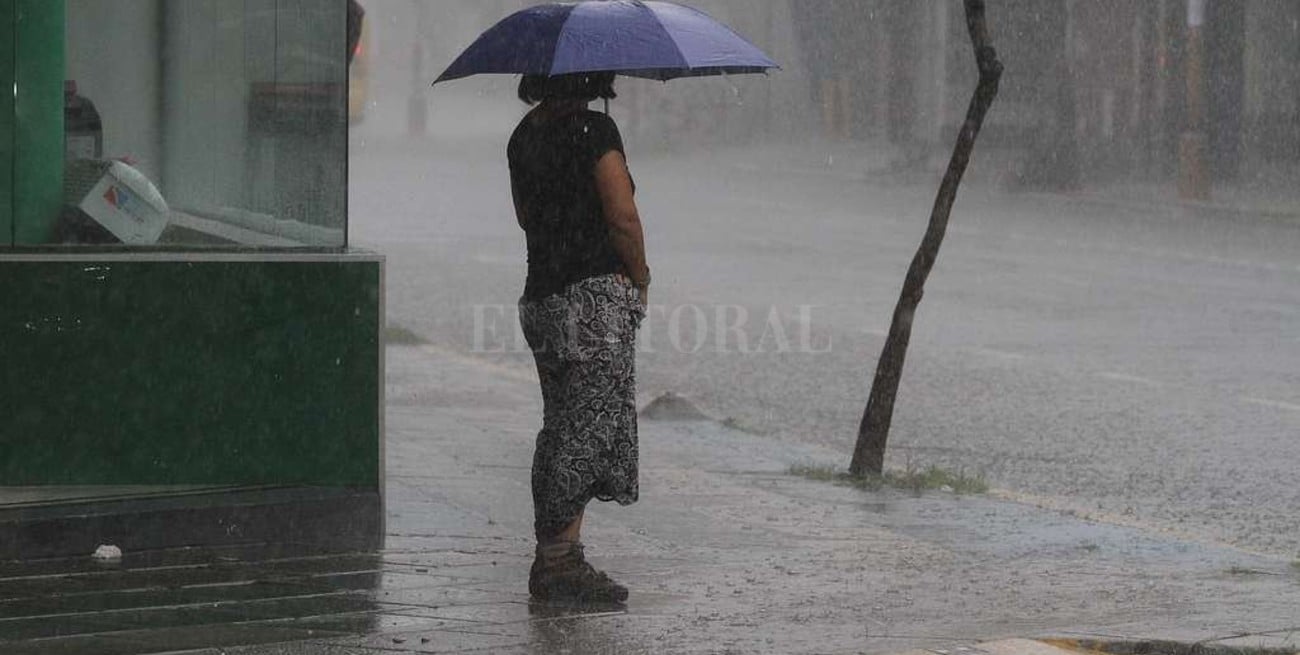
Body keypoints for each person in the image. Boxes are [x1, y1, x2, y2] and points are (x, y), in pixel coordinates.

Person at [508, 71, 650, 604]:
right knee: (585, 430)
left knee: (561, 423)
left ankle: (557, 556)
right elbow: (623, 217)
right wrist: (640, 277)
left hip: (542, 297)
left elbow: (526, 217)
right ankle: (559, 562)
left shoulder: (524, 134)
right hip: (593, 301)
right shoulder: (595, 132)